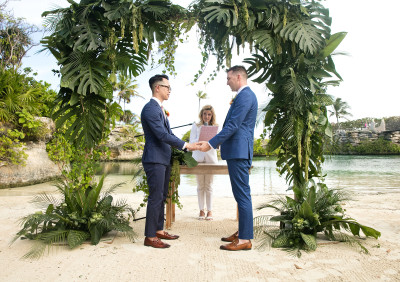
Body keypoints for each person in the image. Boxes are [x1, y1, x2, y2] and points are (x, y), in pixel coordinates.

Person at [198, 65, 258, 251]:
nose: (227, 82)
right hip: (236, 151)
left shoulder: (246, 96)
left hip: (239, 151)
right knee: (240, 195)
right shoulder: (243, 96)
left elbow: (233, 126)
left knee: (242, 195)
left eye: (229, 78)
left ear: (239, 77)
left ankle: (245, 239)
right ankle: (242, 233)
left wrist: (210, 143)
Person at [140, 74, 198, 248]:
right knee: (155, 197)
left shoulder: (160, 110)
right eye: (167, 87)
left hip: (163, 158)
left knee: (162, 196)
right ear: (157, 87)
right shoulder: (150, 109)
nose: (169, 91)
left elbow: (170, 135)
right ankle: (150, 237)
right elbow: (161, 135)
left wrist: (188, 146)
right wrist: (187, 145)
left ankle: (158, 230)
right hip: (154, 159)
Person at [189, 105, 219, 221]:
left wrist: (211, 141)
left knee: (209, 186)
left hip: (211, 159)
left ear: (212, 116)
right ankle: (201, 210)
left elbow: (218, 145)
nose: (207, 116)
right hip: (198, 159)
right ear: (202, 114)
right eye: (205, 114)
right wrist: (202, 139)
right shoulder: (195, 126)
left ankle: (210, 210)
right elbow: (191, 142)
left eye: (209, 114)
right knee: (200, 185)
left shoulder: (216, 127)